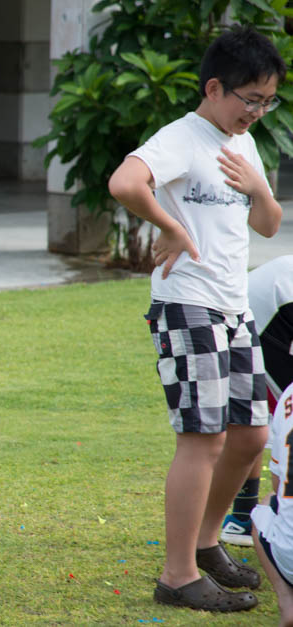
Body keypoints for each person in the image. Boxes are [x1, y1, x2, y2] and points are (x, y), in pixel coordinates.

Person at [108, 26, 285, 612]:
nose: (257, 112)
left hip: (233, 308)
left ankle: (207, 543)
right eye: (250, 99)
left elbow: (268, 223)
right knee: (203, 439)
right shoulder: (183, 137)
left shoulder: (245, 144)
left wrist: (258, 184)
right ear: (215, 87)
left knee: (251, 436)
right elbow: (125, 181)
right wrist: (171, 225)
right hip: (189, 304)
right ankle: (178, 574)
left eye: (268, 101)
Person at [222, 255, 293, 546]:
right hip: (261, 321)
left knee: (259, 422)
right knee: (276, 421)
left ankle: (245, 516)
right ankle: (251, 517)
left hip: (260, 310)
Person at [252, 381, 293, 626]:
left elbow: (278, 485)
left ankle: (287, 600)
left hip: (289, 557)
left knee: (268, 503)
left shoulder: (288, 394)